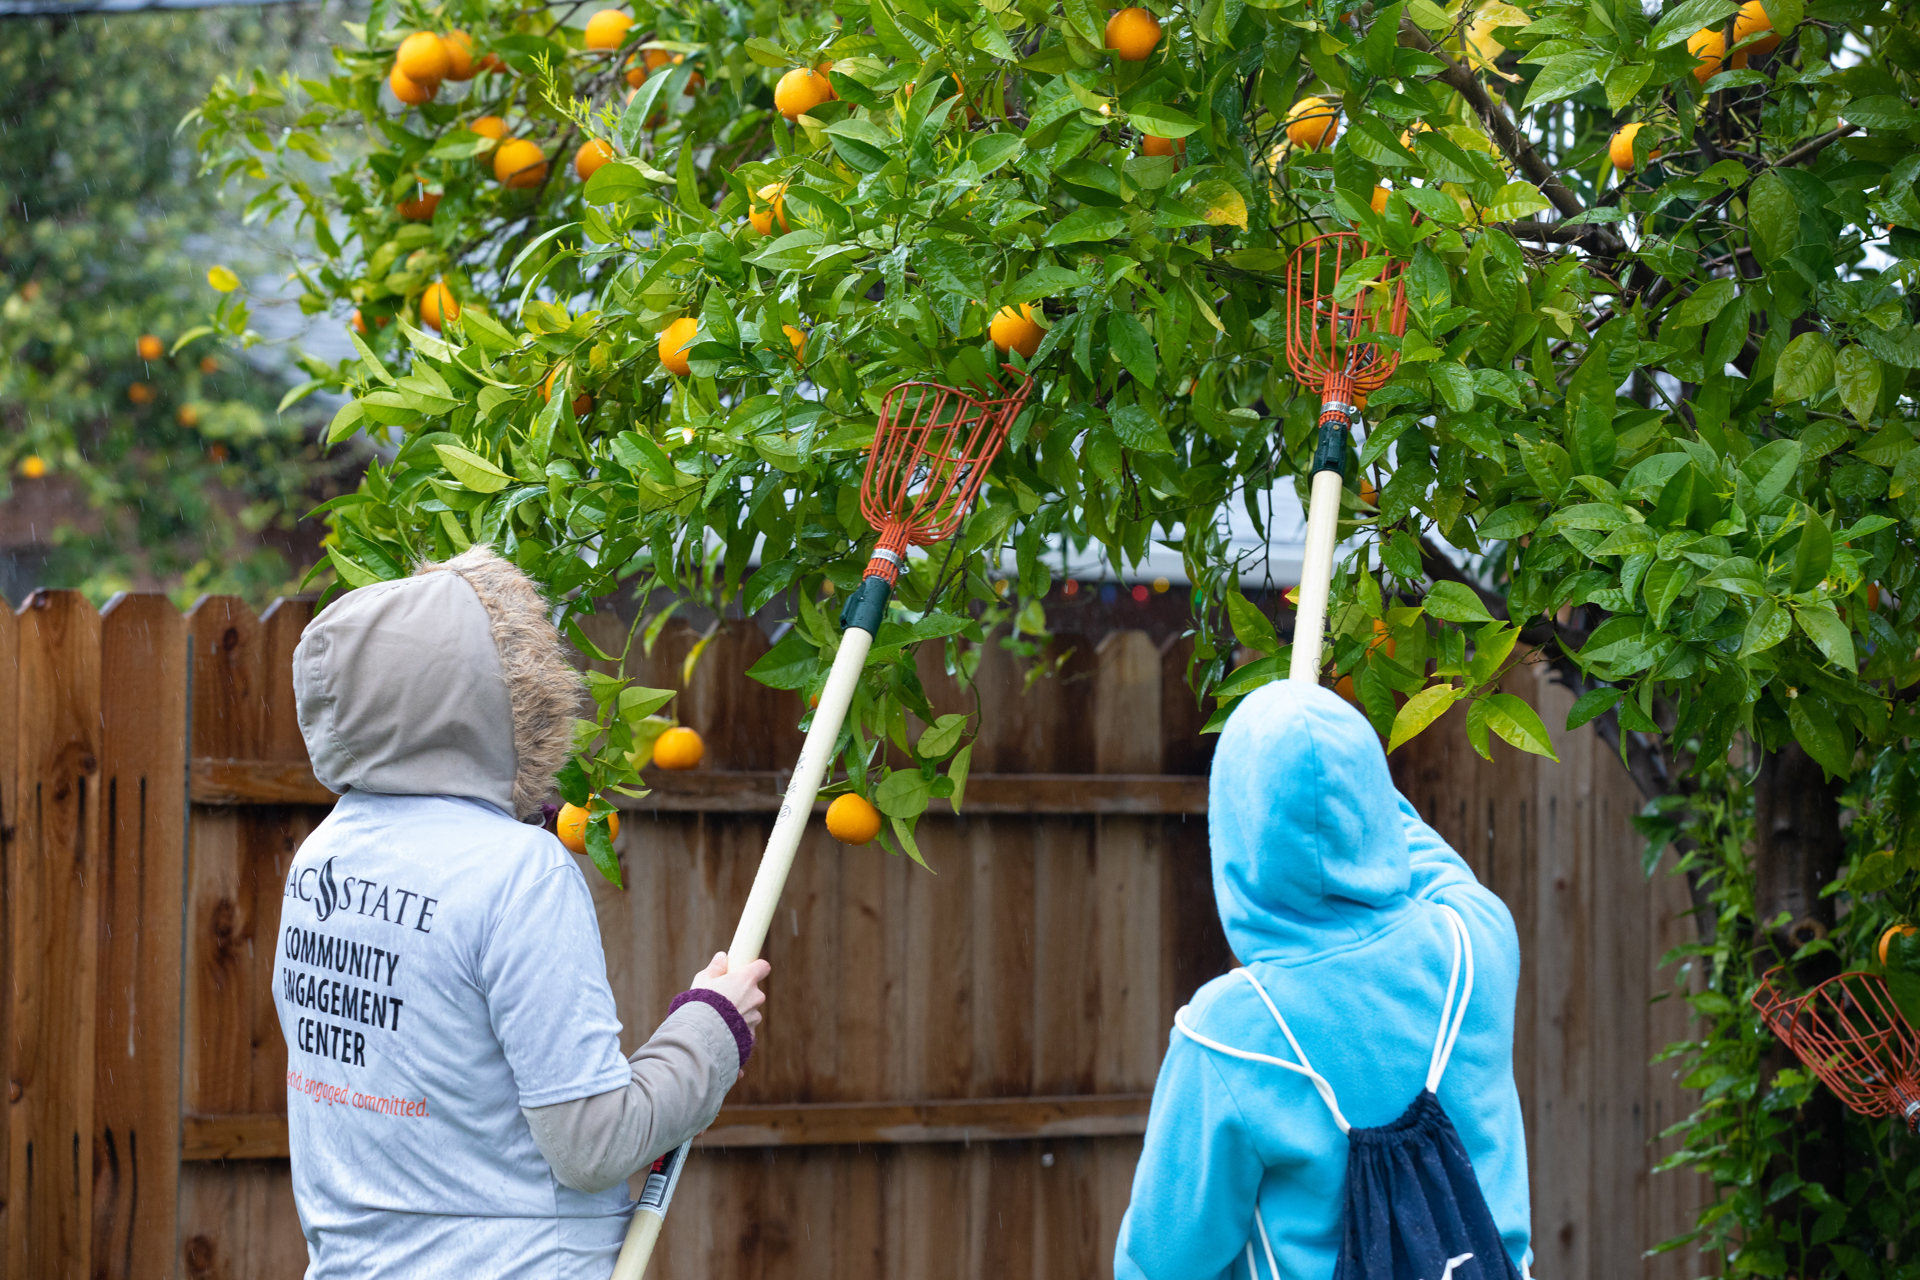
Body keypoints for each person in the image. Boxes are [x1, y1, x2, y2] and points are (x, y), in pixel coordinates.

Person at [274, 545, 769, 1277]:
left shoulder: (323, 857)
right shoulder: (519, 874)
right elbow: (592, 1144)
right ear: (485, 698)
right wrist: (711, 1028)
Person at [1115, 680, 1532, 1279]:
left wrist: (1290, 778)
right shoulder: (1478, 942)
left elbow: (1162, 1264)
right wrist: (1337, 769)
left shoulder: (1231, 1033)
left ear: (1235, 831)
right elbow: (1409, 844)